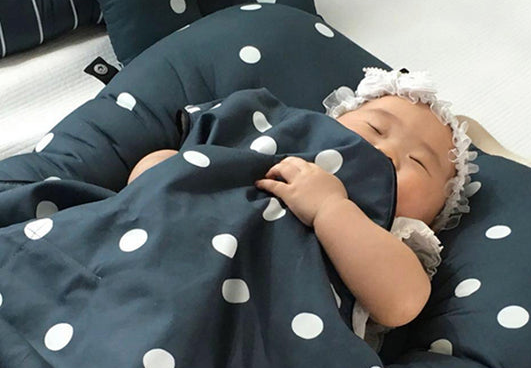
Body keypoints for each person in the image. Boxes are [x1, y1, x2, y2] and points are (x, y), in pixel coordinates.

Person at [125, 68, 479, 350]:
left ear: (433, 217)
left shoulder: (392, 236)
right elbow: (193, 168)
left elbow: (403, 302)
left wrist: (331, 207)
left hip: (245, 332)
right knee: (160, 165)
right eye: (375, 127)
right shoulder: (275, 145)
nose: (385, 152)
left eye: (419, 162)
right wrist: (168, 173)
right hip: (165, 262)